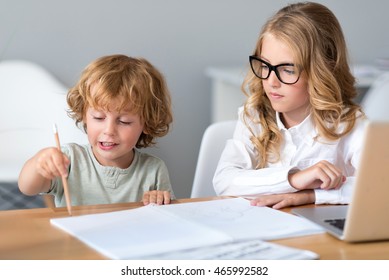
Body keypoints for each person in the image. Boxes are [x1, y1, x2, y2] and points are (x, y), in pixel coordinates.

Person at [213, 2, 367, 209]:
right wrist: (293, 180)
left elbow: (380, 185)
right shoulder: (255, 116)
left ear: (322, 71)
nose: (271, 81)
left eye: (288, 70)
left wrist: (309, 195)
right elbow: (224, 180)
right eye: (265, 65)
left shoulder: (350, 125)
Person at [18, 54, 174, 207]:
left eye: (124, 121)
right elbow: (27, 188)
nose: (109, 130)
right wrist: (39, 163)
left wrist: (159, 199)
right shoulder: (69, 159)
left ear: (147, 123)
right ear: (85, 115)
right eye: (99, 118)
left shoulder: (154, 169)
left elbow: (168, 215)